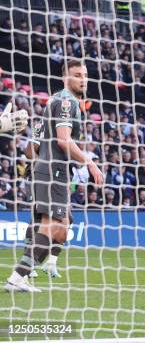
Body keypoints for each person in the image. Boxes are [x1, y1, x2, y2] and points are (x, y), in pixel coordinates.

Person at [5, 59, 104, 292]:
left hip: (45, 170)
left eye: (85, 74)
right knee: (59, 227)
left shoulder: (53, 101)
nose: (83, 79)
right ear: (65, 77)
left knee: (53, 225)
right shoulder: (67, 102)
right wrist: (90, 162)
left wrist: (35, 166)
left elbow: (33, 148)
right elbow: (63, 140)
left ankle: (23, 276)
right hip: (54, 170)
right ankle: (21, 275)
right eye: (77, 74)